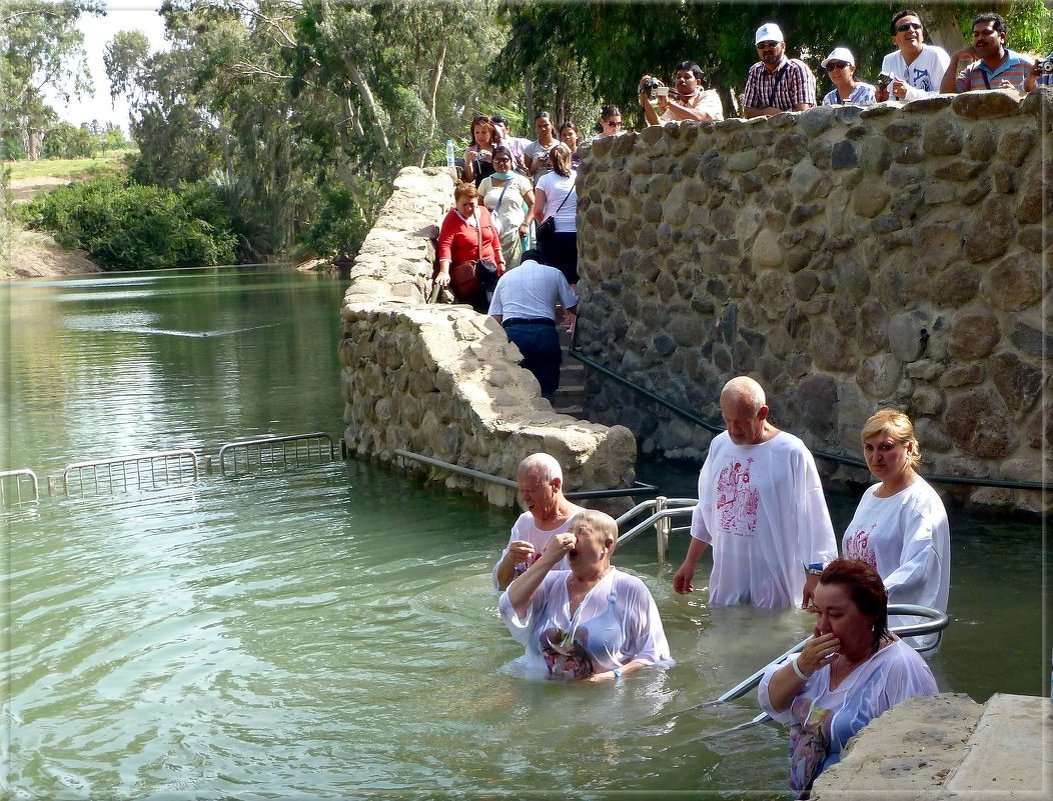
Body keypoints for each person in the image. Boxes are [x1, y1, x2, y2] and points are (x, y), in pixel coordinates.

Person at [758, 559, 938, 799]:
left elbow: (920, 757)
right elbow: (771, 702)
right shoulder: (818, 658)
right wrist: (802, 667)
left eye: (835, 614)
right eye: (818, 612)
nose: (822, 626)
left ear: (870, 615)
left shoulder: (902, 668)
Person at [672, 376, 837, 609]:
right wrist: (690, 562)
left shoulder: (791, 452)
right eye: (727, 420)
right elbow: (707, 507)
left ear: (762, 413)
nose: (733, 429)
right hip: (727, 577)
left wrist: (816, 573)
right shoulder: (719, 446)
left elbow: (814, 515)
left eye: (741, 421)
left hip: (775, 578)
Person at [499, 509, 674, 681]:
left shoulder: (629, 588)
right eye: (569, 532)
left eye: (581, 533)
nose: (571, 539)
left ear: (607, 545)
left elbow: (655, 655)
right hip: (539, 697)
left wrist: (613, 675)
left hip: (601, 700)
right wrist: (548, 558)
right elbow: (508, 606)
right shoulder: (549, 582)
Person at [842, 409, 949, 652]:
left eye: (886, 447)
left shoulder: (920, 502)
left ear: (909, 448)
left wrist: (867, 598)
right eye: (869, 448)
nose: (876, 457)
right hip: (859, 620)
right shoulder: (870, 494)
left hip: (900, 631)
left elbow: (918, 568)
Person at [489, 249, 578, 400]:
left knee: (517, 383)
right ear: (542, 262)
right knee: (546, 385)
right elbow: (572, 306)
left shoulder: (505, 278)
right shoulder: (554, 273)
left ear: (521, 262)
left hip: (514, 331)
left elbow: (495, 316)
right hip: (544, 331)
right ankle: (547, 412)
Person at [492, 453, 584, 591]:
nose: (524, 497)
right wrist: (510, 559)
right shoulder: (524, 522)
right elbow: (500, 586)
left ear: (555, 485)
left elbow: (582, 589)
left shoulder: (583, 525)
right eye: (521, 491)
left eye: (530, 490)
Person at [434, 181, 504, 313]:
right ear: (456, 203)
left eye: (471, 204)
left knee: (494, 308)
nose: (468, 208)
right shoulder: (452, 219)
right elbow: (445, 245)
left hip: (489, 271)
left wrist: (500, 262)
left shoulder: (483, 212)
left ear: (477, 201)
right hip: (468, 278)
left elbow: (494, 237)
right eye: (464, 205)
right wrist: (444, 271)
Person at [941, 12, 1036, 95]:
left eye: (986, 33)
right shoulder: (972, 71)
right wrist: (955, 58)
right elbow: (946, 97)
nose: (980, 38)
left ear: (1002, 37)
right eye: (976, 34)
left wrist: (1016, 94)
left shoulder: (1026, 65)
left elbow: (1042, 104)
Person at [528, 143, 578, 289]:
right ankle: (571, 310)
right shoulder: (577, 177)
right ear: (569, 158)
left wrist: (544, 222)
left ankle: (558, 308)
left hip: (553, 233)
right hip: (574, 231)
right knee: (572, 276)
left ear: (550, 160)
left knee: (554, 274)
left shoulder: (544, 180)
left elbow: (537, 210)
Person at [477, 145, 535, 269]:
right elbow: (479, 208)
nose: (501, 163)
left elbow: (533, 204)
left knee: (516, 267)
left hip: (515, 233)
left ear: (511, 161)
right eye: (497, 160)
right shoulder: (485, 182)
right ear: (492, 161)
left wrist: (526, 224)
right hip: (493, 234)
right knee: (495, 269)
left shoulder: (520, 181)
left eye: (505, 160)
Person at [742, 23, 817, 118]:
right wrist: (767, 112)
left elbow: (803, 113)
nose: (766, 48)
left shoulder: (797, 69)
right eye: (761, 45)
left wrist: (777, 115)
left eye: (772, 44)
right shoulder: (755, 72)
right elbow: (748, 112)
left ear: (783, 46)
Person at [877, 9, 950, 102]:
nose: (911, 30)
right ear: (894, 40)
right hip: (900, 116)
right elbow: (890, 98)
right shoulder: (889, 60)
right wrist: (882, 97)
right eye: (904, 27)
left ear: (922, 36)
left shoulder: (936, 55)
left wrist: (910, 93)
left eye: (916, 26)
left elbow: (945, 96)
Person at [638, 61, 724, 124]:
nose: (681, 80)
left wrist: (668, 104)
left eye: (687, 77)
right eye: (678, 77)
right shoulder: (678, 106)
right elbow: (658, 124)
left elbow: (699, 117)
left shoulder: (709, 95)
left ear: (697, 83)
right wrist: (643, 95)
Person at [462, 115, 497, 187]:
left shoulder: (499, 148)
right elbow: (469, 179)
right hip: (480, 189)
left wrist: (492, 160)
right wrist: (469, 162)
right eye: (477, 132)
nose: (480, 136)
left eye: (484, 132)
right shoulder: (470, 150)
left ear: (491, 133)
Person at [524, 111, 559, 181]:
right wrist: (536, 166)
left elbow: (567, 170)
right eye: (539, 126)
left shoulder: (560, 146)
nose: (543, 129)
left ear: (552, 125)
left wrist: (554, 164)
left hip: (557, 189)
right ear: (535, 128)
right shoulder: (530, 149)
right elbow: (526, 175)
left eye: (546, 125)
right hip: (538, 189)